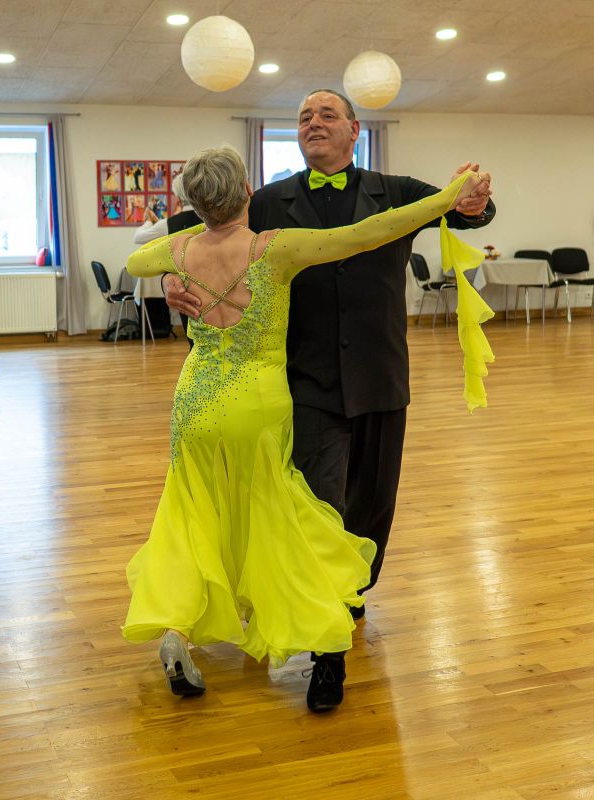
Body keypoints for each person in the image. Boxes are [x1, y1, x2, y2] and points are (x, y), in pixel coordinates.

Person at [123, 144, 488, 712]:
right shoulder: (276, 248)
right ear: (248, 192)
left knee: (190, 515)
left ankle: (175, 627)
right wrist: (445, 199)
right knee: (283, 518)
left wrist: (178, 268)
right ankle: (325, 639)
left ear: (194, 202)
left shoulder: (177, 249)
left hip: (193, 403)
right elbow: (366, 234)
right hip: (257, 404)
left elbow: (136, 263)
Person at [162, 89, 496, 619]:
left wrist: (474, 200)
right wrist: (169, 278)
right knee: (318, 498)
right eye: (304, 117)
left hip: (380, 373)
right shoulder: (268, 200)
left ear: (354, 130)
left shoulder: (396, 192)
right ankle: (323, 605)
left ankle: (355, 589)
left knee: (374, 498)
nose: (313, 122)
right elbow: (192, 233)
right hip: (306, 377)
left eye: (326, 114)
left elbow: (464, 212)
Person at [133, 174, 199, 344]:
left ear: (178, 198)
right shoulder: (212, 219)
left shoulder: (169, 224)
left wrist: (149, 221)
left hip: (184, 287)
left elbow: (138, 237)